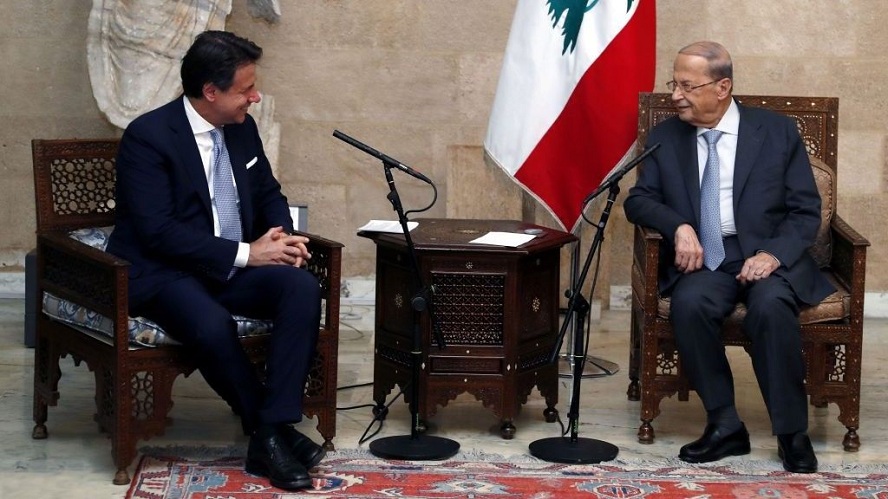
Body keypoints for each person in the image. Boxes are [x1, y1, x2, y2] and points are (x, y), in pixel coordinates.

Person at [107, 30, 324, 491]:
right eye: (247, 89)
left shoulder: (242, 129)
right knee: (210, 323)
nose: (255, 97)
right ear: (211, 91)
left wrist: (281, 236)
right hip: (163, 270)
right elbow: (157, 231)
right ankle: (270, 438)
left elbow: (268, 192)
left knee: (301, 288)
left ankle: (273, 427)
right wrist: (249, 253)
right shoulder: (148, 137)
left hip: (228, 266)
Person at [623, 41, 833, 474]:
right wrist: (679, 227)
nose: (675, 95)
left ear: (722, 87)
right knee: (690, 303)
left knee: (771, 307)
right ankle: (724, 424)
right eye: (673, 84)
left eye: (687, 86)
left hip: (766, 254)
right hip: (706, 256)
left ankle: (792, 433)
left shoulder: (776, 132)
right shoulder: (666, 137)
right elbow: (638, 200)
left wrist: (773, 254)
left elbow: (805, 210)